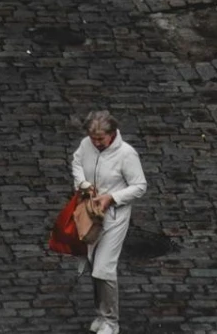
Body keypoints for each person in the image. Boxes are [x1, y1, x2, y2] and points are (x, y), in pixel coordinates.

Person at [70, 108, 147, 334]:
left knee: (104, 269)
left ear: (112, 134)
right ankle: (101, 314)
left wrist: (112, 198)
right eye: (93, 139)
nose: (97, 144)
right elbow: (76, 162)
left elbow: (140, 186)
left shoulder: (126, 154)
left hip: (114, 218)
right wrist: (83, 183)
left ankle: (112, 322)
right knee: (94, 265)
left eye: (100, 139)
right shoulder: (86, 145)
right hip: (91, 215)